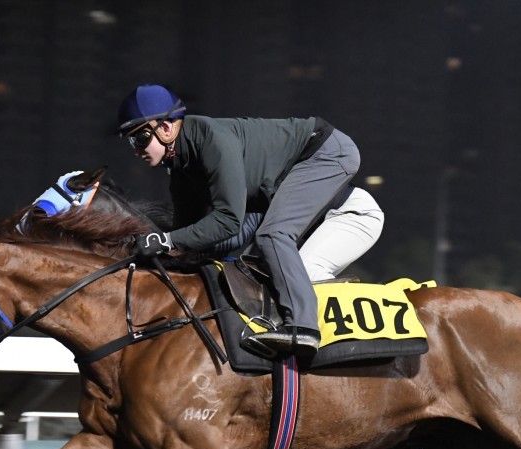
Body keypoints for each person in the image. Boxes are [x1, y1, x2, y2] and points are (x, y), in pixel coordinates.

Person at [117, 83, 370, 360]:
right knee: (218, 249)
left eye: (140, 137)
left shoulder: (212, 142)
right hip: (282, 179)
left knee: (273, 235)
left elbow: (227, 222)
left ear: (167, 128)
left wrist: (166, 240)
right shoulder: (181, 168)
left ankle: (303, 326)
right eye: (130, 141)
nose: (136, 149)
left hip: (325, 153)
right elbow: (186, 235)